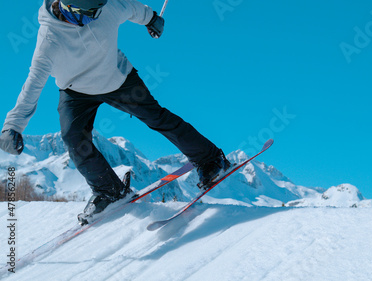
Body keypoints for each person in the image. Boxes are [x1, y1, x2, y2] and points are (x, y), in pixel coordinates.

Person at [0, 0, 231, 225]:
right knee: (73, 137)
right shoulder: (49, 40)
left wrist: (151, 19)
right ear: (69, 9)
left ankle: (211, 160)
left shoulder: (106, 7)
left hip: (118, 80)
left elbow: (131, 8)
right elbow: (33, 84)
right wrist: (13, 126)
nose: (96, 17)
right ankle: (110, 191)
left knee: (156, 117)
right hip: (75, 91)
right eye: (90, 13)